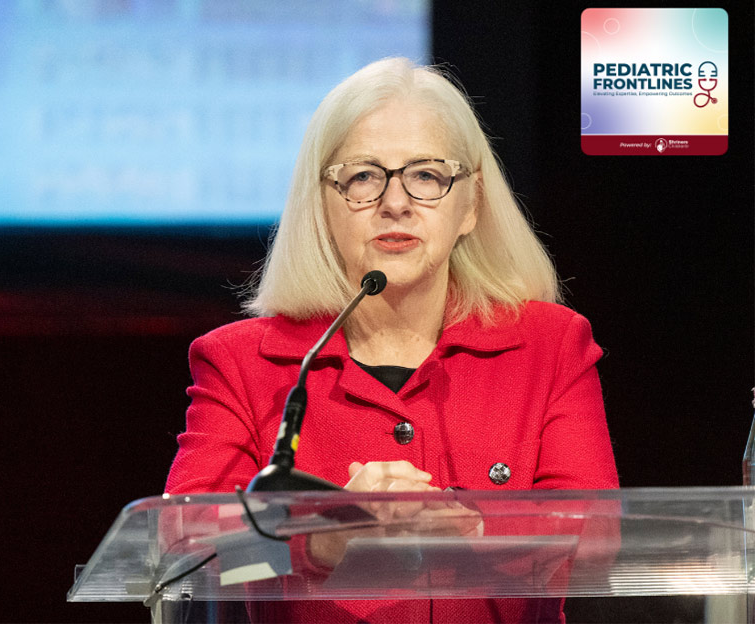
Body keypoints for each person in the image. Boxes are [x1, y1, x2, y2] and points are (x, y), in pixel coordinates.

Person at [165, 57, 618, 623]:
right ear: (323, 205)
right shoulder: (244, 363)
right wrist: (318, 543)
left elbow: (598, 539)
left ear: (471, 204)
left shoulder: (548, 348)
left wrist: (470, 526)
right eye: (362, 177)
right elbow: (187, 552)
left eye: (426, 175)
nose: (396, 202)